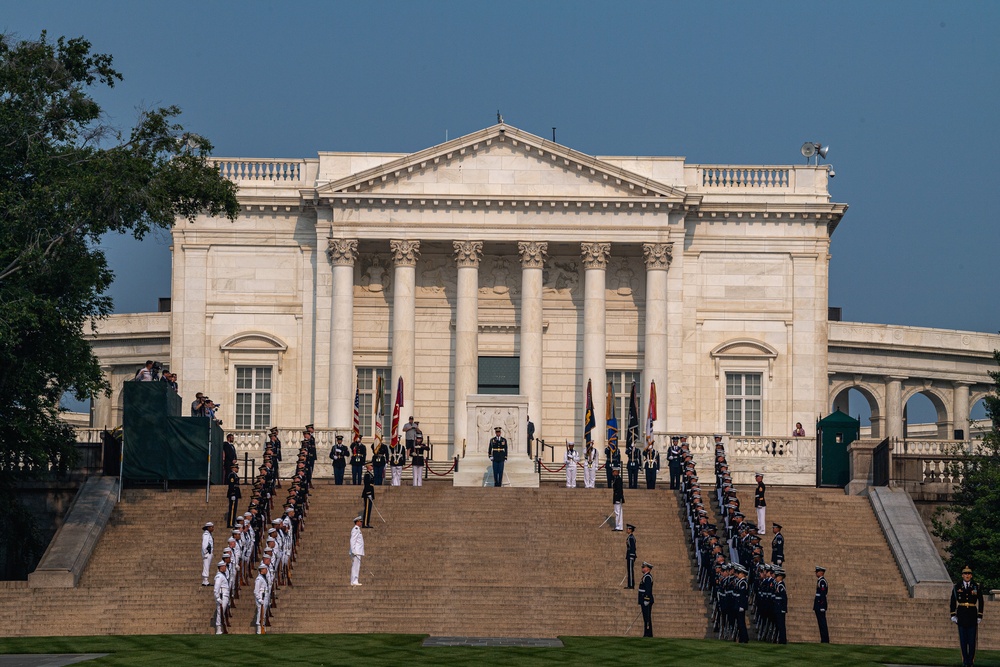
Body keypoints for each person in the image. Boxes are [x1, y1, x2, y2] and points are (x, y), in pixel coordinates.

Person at [950, 565, 984, 667]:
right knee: (963, 640)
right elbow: (952, 601)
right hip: (961, 615)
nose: (967, 575)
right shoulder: (957, 587)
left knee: (972, 640)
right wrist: (953, 614)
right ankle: (965, 660)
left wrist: (980, 615)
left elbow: (981, 601)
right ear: (962, 575)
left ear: (971, 575)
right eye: (965, 574)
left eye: (969, 574)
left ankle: (971, 661)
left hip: (972, 615)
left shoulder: (976, 586)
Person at [733, 564, 749, 643]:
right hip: (737, 604)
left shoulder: (743, 583)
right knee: (739, 622)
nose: (737, 574)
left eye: (739, 573)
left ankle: (744, 638)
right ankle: (742, 638)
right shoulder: (739, 582)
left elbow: (743, 595)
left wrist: (742, 606)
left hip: (740, 604)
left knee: (741, 622)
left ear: (743, 574)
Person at [212, 560, 230, 634]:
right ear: (221, 567)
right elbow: (216, 588)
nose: (226, 568)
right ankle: (218, 629)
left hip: (225, 596)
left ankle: (220, 628)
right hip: (222, 596)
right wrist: (218, 598)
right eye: (224, 566)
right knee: (220, 613)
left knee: (222, 613)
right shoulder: (219, 576)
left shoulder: (222, 575)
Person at [638, 561, 654, 637]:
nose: (642, 568)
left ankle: (648, 633)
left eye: (643, 567)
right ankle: (647, 633)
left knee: (647, 618)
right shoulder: (645, 576)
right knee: (645, 617)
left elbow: (648, 589)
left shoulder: (647, 577)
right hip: (643, 599)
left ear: (648, 569)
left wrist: (646, 599)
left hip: (646, 599)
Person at [814, 565, 829, 643]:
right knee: (821, 623)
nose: (816, 573)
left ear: (821, 572)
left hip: (820, 605)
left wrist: (822, 605)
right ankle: (823, 639)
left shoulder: (822, 581)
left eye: (817, 572)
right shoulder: (820, 581)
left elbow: (823, 594)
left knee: (822, 623)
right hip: (818, 604)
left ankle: (825, 639)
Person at [253, 562, 269, 634]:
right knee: (260, 612)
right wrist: (259, 599)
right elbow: (256, 590)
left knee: (263, 613)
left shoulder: (264, 577)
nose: (266, 570)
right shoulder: (259, 579)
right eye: (265, 569)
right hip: (261, 597)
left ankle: (263, 627)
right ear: (261, 570)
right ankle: (259, 629)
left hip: (265, 597)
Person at [349, 515, 365, 586]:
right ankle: (354, 581)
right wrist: (353, 550)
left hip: (358, 551)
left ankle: (354, 580)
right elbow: (352, 540)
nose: (361, 523)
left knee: (356, 566)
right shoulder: (355, 529)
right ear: (357, 522)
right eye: (360, 522)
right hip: (356, 552)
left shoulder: (357, 529)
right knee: (355, 566)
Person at [774, 568, 788, 644]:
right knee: (779, 624)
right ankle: (781, 639)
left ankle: (782, 639)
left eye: (777, 576)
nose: (775, 578)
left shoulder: (781, 586)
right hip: (778, 607)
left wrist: (783, 608)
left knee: (781, 624)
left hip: (780, 607)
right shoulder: (779, 585)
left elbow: (784, 598)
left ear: (780, 577)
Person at [226, 464, 241, 528]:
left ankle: (232, 522)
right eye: (237, 468)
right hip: (233, 493)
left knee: (234, 509)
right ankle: (231, 523)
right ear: (234, 468)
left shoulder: (235, 475)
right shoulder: (232, 475)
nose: (237, 469)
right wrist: (232, 494)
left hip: (236, 493)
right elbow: (231, 485)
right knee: (232, 509)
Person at [611, 466, 624, 531]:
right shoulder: (616, 479)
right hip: (617, 497)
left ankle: (619, 526)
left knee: (618, 512)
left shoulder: (618, 479)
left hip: (618, 498)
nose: (612, 473)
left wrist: (618, 498)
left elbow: (619, 490)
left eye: (614, 471)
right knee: (617, 512)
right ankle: (618, 525)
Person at [625, 524, 636, 589]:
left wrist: (632, 555)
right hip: (629, 555)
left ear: (630, 530)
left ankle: (631, 585)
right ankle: (629, 584)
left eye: (628, 529)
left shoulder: (631, 538)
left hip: (631, 555)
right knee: (629, 570)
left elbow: (633, 547)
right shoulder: (629, 537)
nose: (627, 530)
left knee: (630, 570)